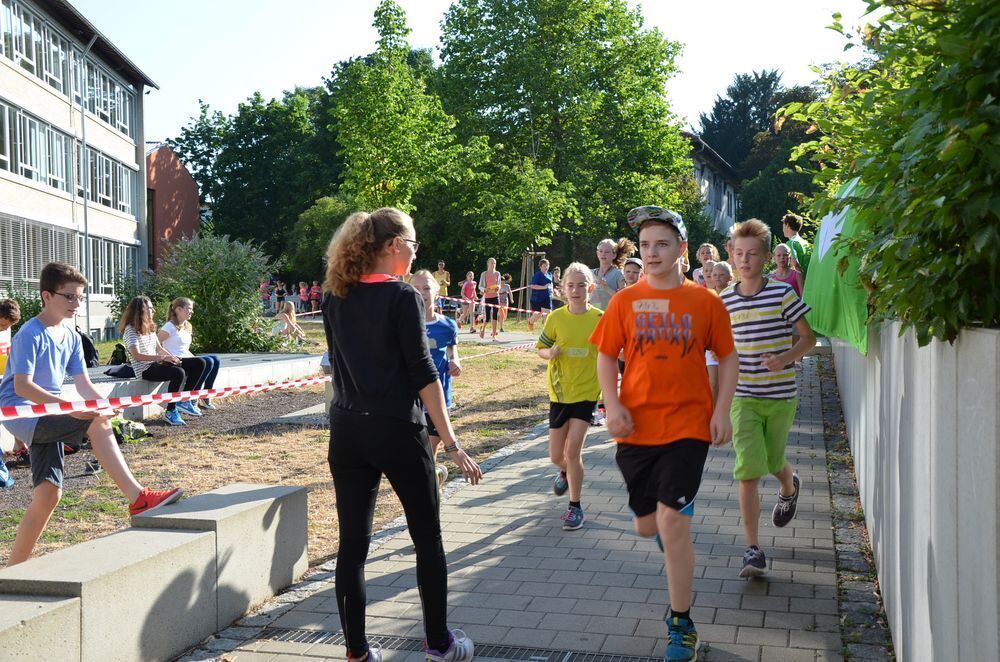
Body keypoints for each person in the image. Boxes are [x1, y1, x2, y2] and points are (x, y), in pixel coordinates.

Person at [322, 207, 482, 662]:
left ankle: (356, 652)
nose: (415, 254)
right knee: (427, 539)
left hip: (348, 431)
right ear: (393, 246)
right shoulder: (401, 297)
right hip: (397, 429)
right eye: (413, 244)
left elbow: (338, 368)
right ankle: (439, 645)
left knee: (351, 546)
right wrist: (451, 444)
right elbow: (424, 374)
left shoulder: (336, 296)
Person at [590, 206, 737, 662]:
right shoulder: (624, 301)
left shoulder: (705, 302)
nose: (652, 253)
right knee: (646, 524)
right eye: (647, 245)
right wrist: (611, 405)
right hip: (635, 427)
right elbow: (606, 355)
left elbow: (727, 357)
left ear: (682, 250)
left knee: (673, 522)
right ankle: (672, 539)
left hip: (689, 424)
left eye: (663, 245)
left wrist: (722, 411)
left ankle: (681, 623)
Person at [0, 263, 182, 565]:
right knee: (95, 423)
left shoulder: (71, 336)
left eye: (80, 297)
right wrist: (75, 409)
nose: (76, 304)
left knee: (48, 495)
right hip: (23, 413)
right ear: (47, 296)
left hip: (47, 412)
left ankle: (13, 570)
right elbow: (23, 386)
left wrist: (106, 404)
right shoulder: (29, 334)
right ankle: (138, 499)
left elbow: (84, 384)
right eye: (68, 297)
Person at [721, 218, 815, 579]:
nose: (745, 260)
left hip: (779, 396)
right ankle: (752, 549)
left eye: (753, 254)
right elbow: (718, 351)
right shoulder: (725, 299)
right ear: (731, 255)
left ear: (765, 257)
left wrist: (784, 359)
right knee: (748, 470)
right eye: (739, 253)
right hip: (742, 397)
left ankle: (789, 487)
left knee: (773, 460)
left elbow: (808, 338)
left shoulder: (782, 294)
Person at [536, 263, 603, 531]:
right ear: (563, 289)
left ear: (591, 288)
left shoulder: (600, 319)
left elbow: (612, 353)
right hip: (560, 393)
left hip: (587, 394)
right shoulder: (555, 318)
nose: (576, 290)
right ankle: (563, 471)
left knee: (573, 452)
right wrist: (548, 354)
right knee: (556, 456)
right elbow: (540, 347)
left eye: (581, 285)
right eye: (571, 285)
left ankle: (575, 507)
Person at [410, 270, 462, 490]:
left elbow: (452, 349)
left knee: (429, 446)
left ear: (437, 292)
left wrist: (455, 361)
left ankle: (432, 480)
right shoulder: (406, 324)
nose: (422, 293)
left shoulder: (447, 325)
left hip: (439, 395)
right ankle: (434, 476)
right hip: (412, 397)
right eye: (417, 289)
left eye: (427, 288)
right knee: (418, 451)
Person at [121, 296, 205, 427]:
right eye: (150, 308)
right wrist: (162, 358)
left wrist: (171, 357)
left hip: (157, 363)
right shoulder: (130, 330)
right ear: (141, 310)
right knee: (178, 373)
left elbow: (159, 349)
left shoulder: (150, 327)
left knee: (199, 363)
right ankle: (171, 410)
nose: (153, 310)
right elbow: (137, 356)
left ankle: (184, 400)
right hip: (145, 369)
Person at [158, 297, 220, 412]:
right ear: (179, 310)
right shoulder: (169, 326)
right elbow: (155, 345)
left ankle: (205, 395)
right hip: (175, 360)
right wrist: (168, 357)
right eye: (189, 309)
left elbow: (185, 349)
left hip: (186, 358)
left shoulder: (188, 326)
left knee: (214, 359)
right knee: (206, 362)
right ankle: (189, 398)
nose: (192, 311)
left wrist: (196, 358)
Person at [0, 298, 21, 489]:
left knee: (13, 407)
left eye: (7, 326)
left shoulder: (6, 331)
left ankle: (19, 445)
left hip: (4, 376)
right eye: (2, 324)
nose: (3, 328)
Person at [591, 237, 635, 311]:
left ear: (614, 255)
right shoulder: (589, 273)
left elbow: (623, 299)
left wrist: (607, 288)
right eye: (601, 251)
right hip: (592, 318)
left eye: (607, 252)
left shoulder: (619, 274)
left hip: (611, 316)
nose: (603, 254)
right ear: (597, 253)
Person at [478, 257, 502, 340]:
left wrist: (498, 287)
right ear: (488, 264)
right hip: (487, 297)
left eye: (494, 263)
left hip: (495, 296)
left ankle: (494, 335)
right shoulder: (484, 274)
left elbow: (499, 284)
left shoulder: (497, 273)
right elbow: (480, 286)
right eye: (492, 263)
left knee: (495, 315)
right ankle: (483, 329)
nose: (493, 265)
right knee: (487, 316)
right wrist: (484, 289)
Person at [527, 258, 553, 332]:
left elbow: (550, 285)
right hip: (537, 299)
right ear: (540, 266)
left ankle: (546, 332)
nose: (546, 267)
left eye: (547, 265)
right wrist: (543, 287)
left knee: (548, 314)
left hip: (546, 298)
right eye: (544, 266)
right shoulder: (538, 275)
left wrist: (554, 291)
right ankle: (530, 322)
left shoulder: (550, 275)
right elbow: (532, 286)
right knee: (537, 315)